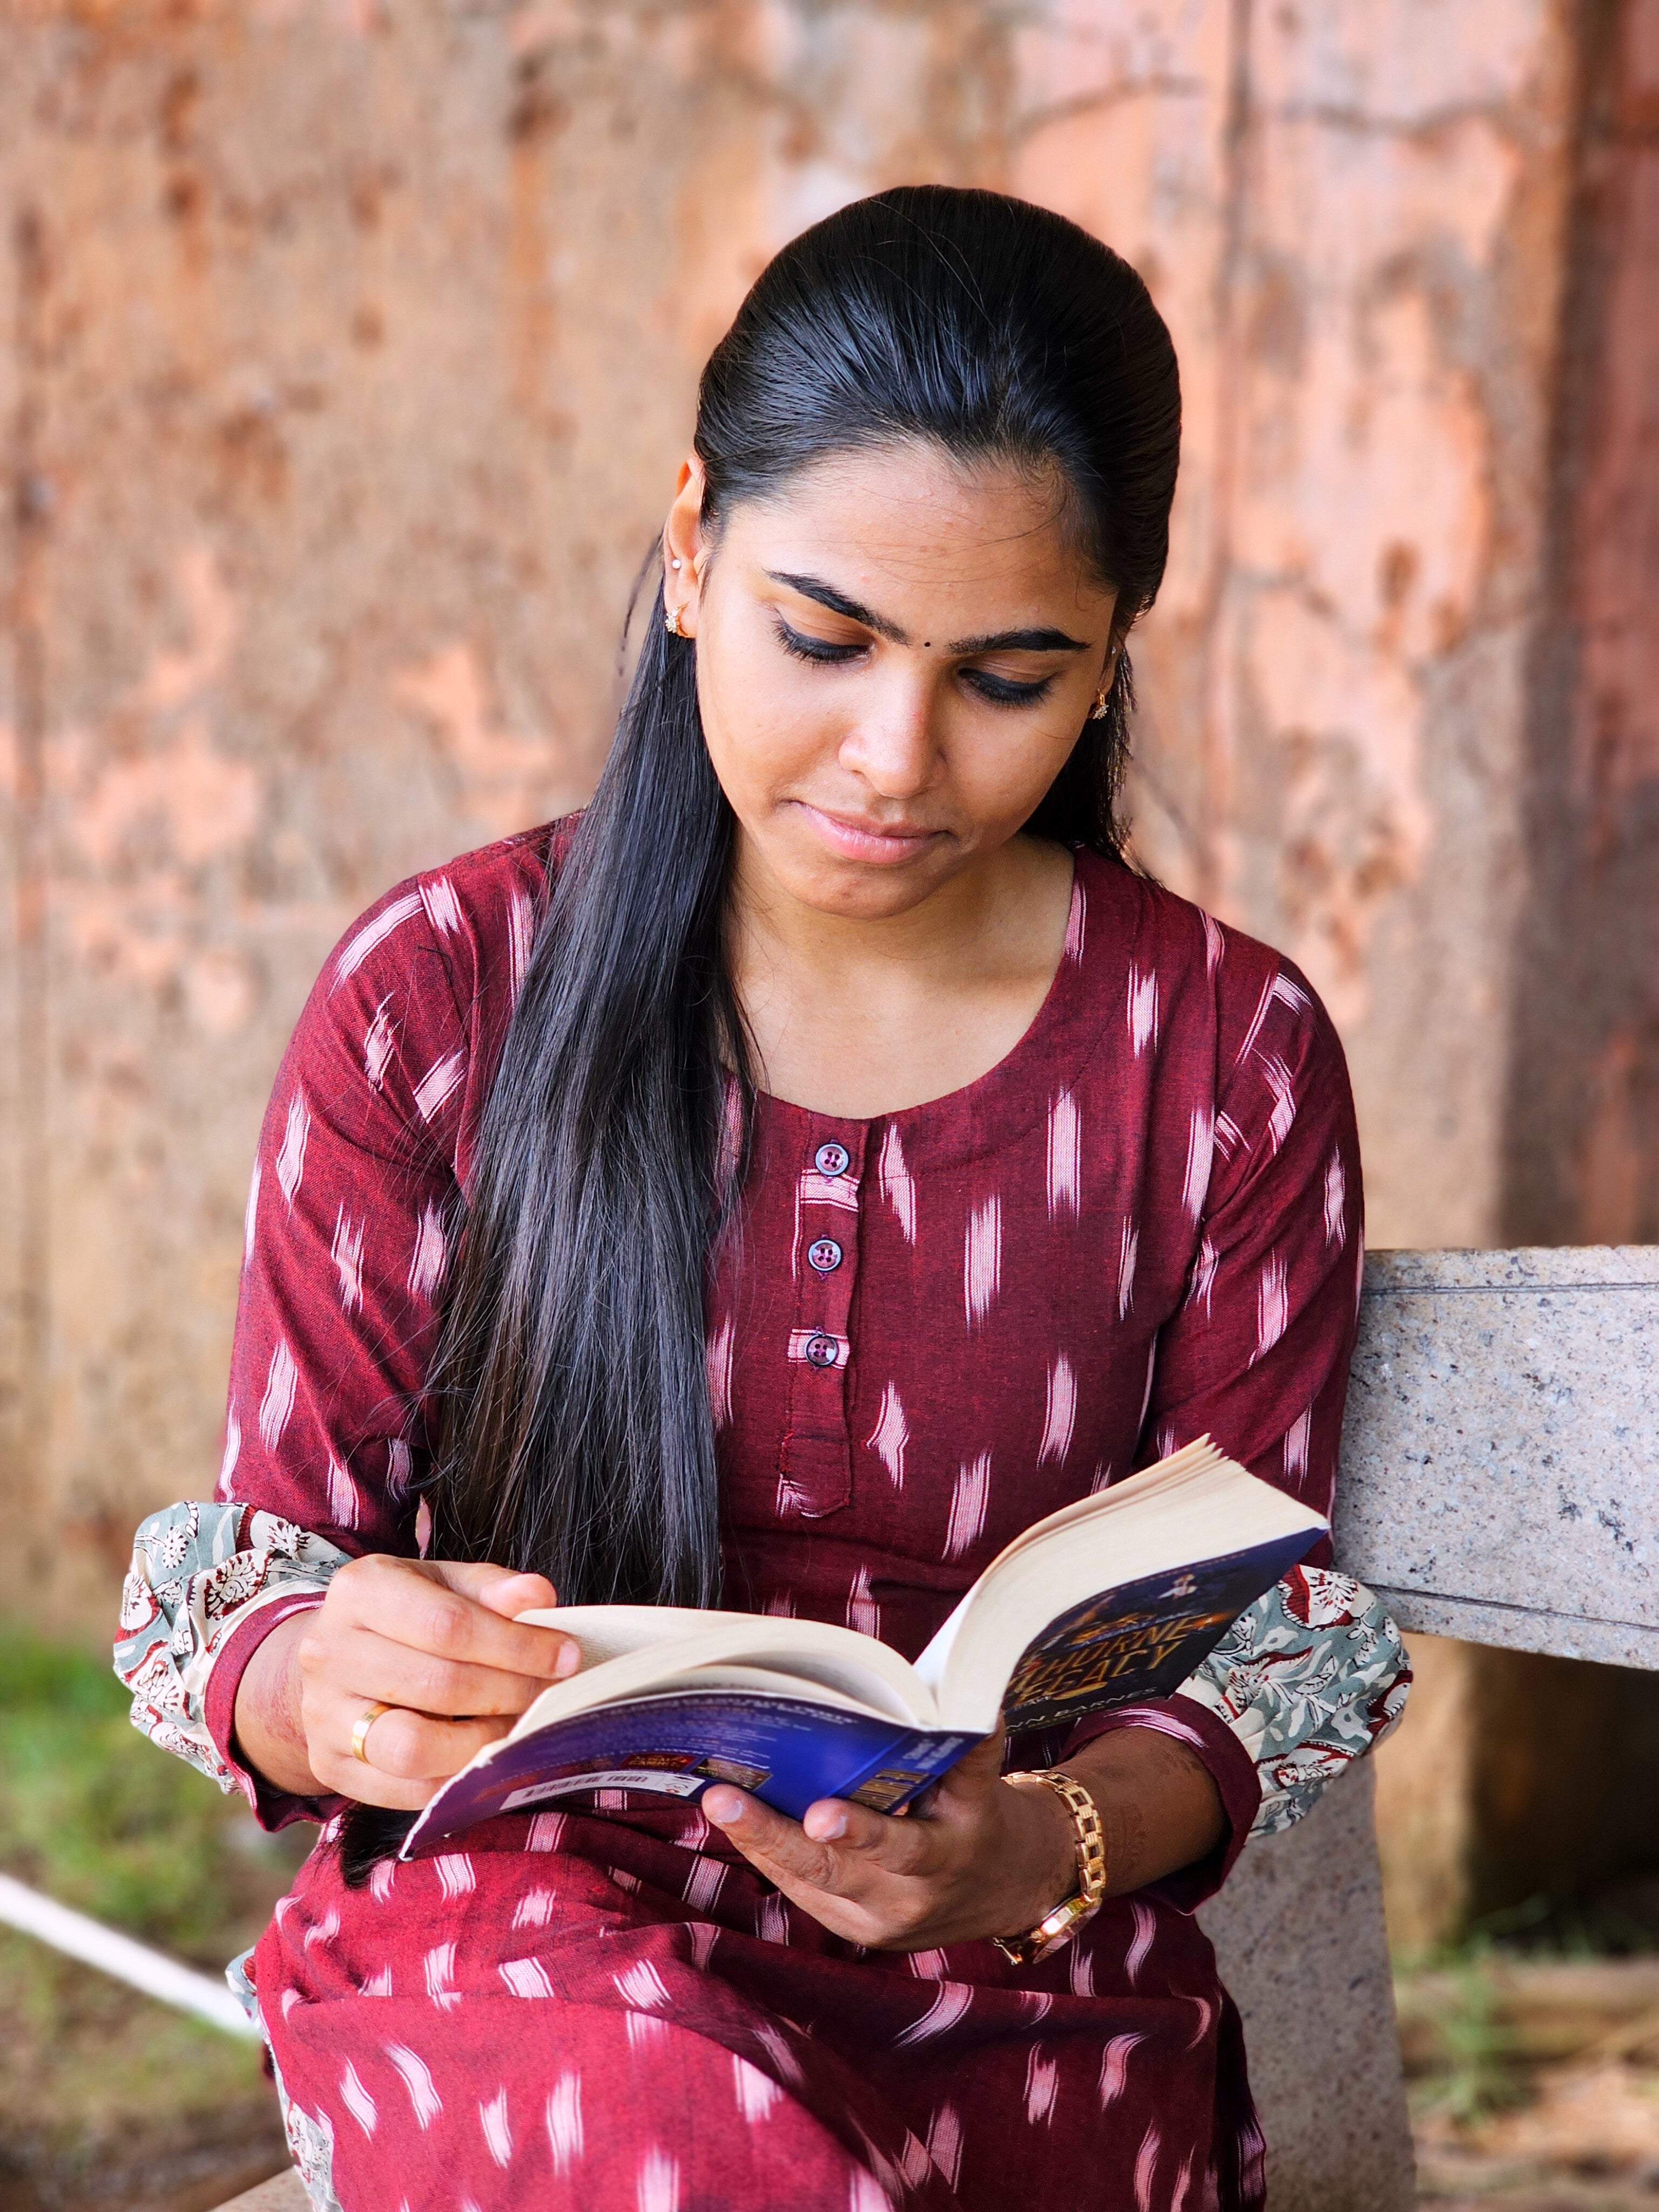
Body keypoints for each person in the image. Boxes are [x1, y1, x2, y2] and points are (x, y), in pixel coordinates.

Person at [116, 186, 1408, 2212]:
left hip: (1015, 1989)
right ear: (693, 546)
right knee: (658, 2131)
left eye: (1008, 678)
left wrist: (1042, 1843)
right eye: (826, 638)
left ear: (1110, 657)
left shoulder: (1222, 1060)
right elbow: (266, 1581)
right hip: (521, 1957)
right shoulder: (440, 998)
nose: (895, 758)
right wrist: (324, 1684)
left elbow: (1264, 1641)